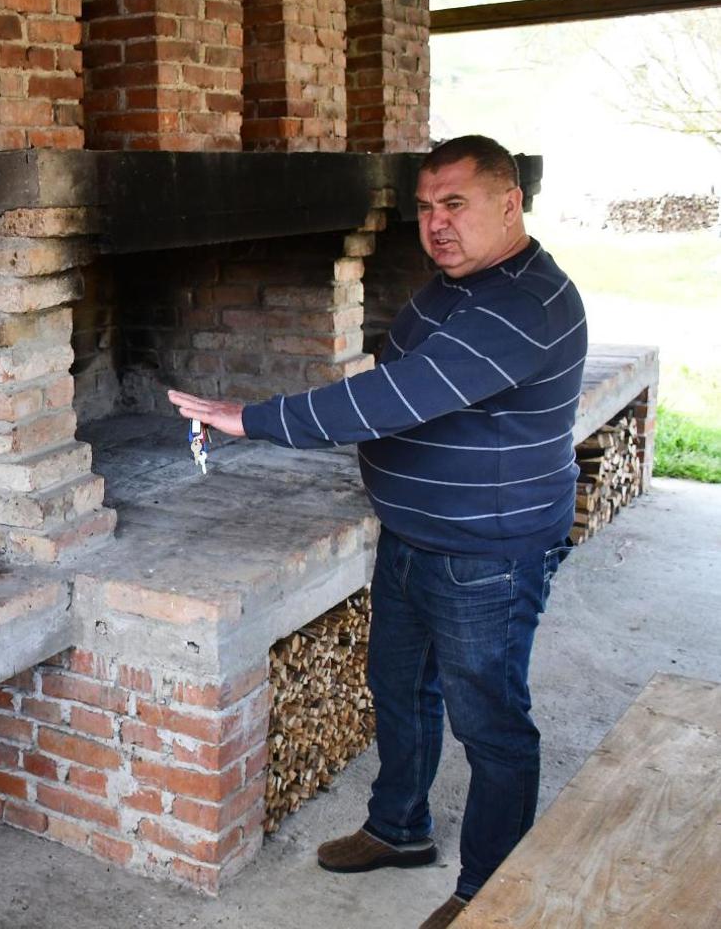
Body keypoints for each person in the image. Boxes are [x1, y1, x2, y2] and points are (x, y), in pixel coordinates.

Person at [168, 135, 586, 929]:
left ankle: (487, 895)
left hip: (486, 554)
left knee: (491, 723)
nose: (437, 225)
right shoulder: (448, 290)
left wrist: (249, 419)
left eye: (455, 204)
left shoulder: (523, 305)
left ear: (510, 203)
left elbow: (390, 400)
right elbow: (396, 379)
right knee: (399, 689)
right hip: (412, 536)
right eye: (426, 208)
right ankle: (399, 829)